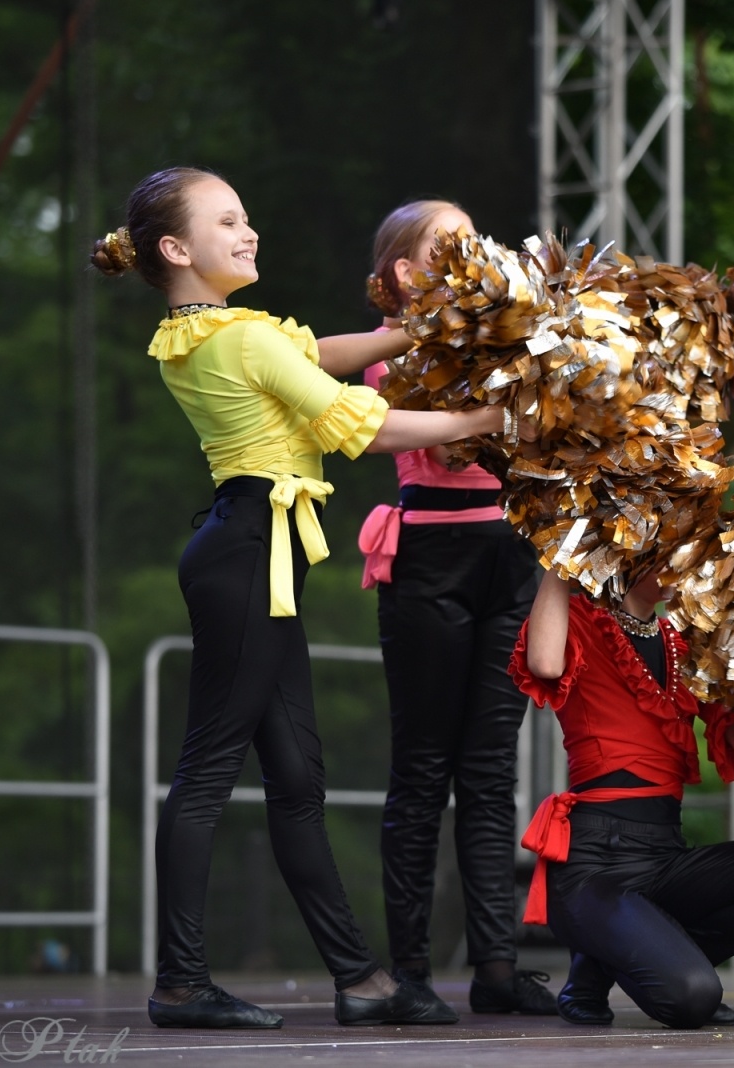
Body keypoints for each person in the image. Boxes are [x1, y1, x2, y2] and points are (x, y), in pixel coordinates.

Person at [93, 167, 514, 1030]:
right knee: (209, 772)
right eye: (227, 222)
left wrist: (410, 331)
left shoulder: (211, 332)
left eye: (246, 218)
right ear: (176, 248)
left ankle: (360, 978)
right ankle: (181, 981)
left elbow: (318, 354)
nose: (248, 232)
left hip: (255, 552)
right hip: (248, 552)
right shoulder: (238, 340)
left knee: (295, 779)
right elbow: (365, 424)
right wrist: (485, 421)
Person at [355, 199, 551, 1019]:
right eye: (451, 242)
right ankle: (409, 972)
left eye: (477, 239)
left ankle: (497, 968)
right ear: (406, 272)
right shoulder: (388, 354)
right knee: (423, 767)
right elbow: (431, 438)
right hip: (430, 561)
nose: (474, 251)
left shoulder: (508, 340)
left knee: (491, 770)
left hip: (508, 556)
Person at [511, 567, 734, 1029]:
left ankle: (611, 963)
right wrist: (564, 554)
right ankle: (639, 965)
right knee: (692, 999)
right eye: (671, 544)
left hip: (665, 855)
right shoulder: (581, 618)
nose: (683, 560)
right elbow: (545, 665)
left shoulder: (683, 641)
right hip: (595, 865)